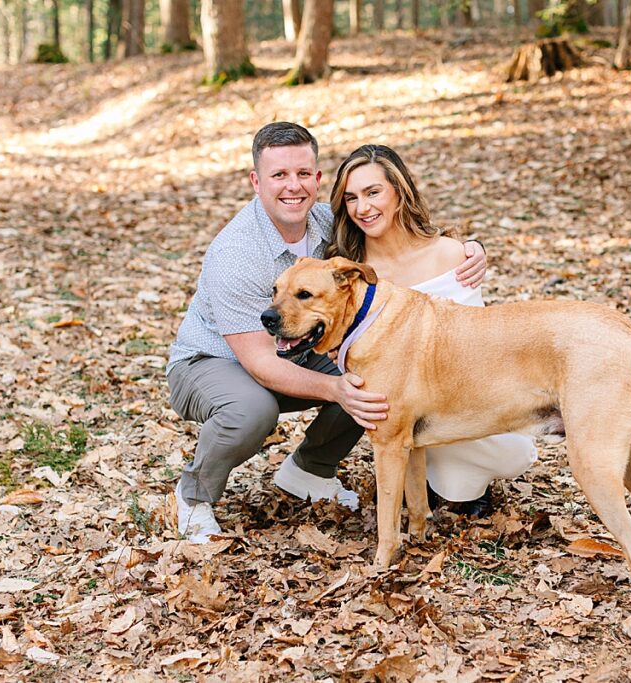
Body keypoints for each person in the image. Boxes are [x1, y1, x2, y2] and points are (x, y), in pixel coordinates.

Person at [167, 123, 487, 542]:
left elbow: (397, 235)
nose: (293, 186)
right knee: (253, 409)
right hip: (212, 363)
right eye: (279, 175)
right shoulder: (236, 253)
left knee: (371, 374)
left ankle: (310, 470)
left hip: (297, 347)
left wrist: (469, 248)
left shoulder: (325, 221)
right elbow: (260, 362)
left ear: (317, 178)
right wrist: (336, 389)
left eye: (303, 173)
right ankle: (194, 496)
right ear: (256, 181)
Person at [327, 144, 537, 516]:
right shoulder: (350, 274)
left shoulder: (450, 254)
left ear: (399, 190)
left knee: (514, 453)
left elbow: (477, 348)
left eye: (373, 192)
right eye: (351, 198)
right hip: (395, 405)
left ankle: (456, 478)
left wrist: (474, 247)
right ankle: (414, 473)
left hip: (460, 393)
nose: (363, 208)